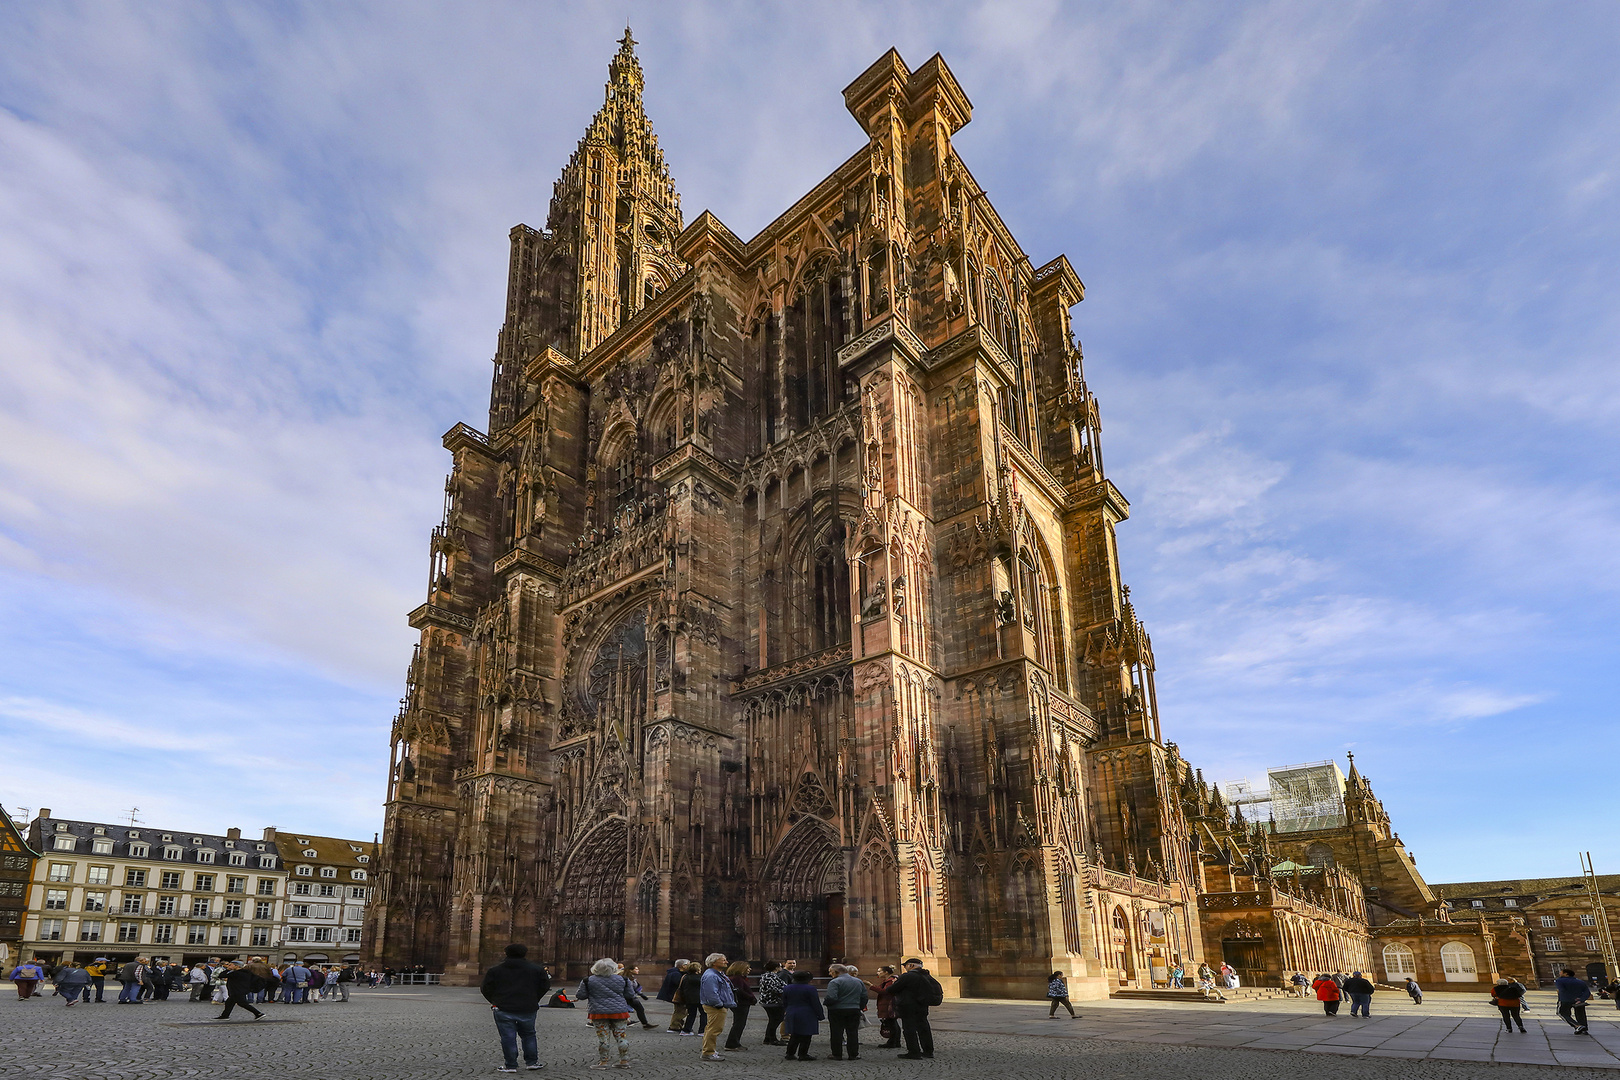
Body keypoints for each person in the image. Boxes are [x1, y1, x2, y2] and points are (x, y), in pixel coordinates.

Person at [479, 943, 552, 1073]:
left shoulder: (495, 970)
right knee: (529, 1035)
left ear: (506, 953)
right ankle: (532, 1062)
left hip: (503, 1007)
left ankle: (511, 1065)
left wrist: (495, 1001)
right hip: (527, 1007)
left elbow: (485, 988)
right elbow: (545, 985)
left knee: (508, 1037)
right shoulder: (536, 969)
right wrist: (534, 998)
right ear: (525, 953)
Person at [577, 957, 635, 1071]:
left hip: (599, 1013)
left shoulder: (588, 980)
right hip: (619, 1012)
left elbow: (580, 996)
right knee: (621, 1037)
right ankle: (624, 1061)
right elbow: (630, 995)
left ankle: (603, 1062)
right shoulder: (623, 980)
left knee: (603, 1038)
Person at [890, 957, 942, 1060]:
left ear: (911, 965)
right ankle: (928, 1051)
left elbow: (891, 989)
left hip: (908, 1007)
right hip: (922, 1006)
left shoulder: (908, 976)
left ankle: (914, 1052)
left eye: (905, 966)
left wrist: (894, 983)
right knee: (924, 1028)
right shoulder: (927, 976)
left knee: (909, 1029)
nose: (905, 968)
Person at [824, 962, 868, 1060]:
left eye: (831, 972)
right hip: (854, 1009)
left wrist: (826, 1003)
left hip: (837, 1010)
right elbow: (864, 996)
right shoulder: (858, 981)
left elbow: (832, 997)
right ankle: (853, 1054)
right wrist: (859, 1006)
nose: (830, 974)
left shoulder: (834, 982)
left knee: (836, 1033)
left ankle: (837, 1054)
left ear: (836, 972)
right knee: (852, 1033)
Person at [699, 952, 736, 1061]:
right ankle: (708, 1052)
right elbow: (711, 993)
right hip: (715, 1006)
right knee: (714, 1030)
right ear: (714, 962)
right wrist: (719, 1004)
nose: (726, 962)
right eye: (723, 960)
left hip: (718, 1005)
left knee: (712, 1028)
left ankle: (710, 1050)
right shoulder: (711, 975)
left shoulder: (717, 973)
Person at [781, 970, 824, 1061]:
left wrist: (786, 1010)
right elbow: (815, 1003)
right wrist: (820, 1015)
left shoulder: (787, 988)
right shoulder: (810, 989)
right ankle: (803, 1054)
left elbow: (784, 1001)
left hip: (792, 1011)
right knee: (806, 1035)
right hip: (807, 1013)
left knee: (794, 1034)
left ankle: (790, 1053)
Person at [723, 960, 755, 1050]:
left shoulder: (737, 978)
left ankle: (734, 1042)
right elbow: (740, 991)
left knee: (739, 1023)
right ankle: (732, 1044)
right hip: (741, 1003)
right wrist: (751, 998)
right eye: (747, 968)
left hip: (741, 1003)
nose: (749, 969)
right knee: (739, 1023)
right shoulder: (737, 978)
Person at [869, 965, 901, 1048]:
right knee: (892, 1023)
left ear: (886, 972)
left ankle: (892, 1042)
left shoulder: (891, 981)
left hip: (889, 1004)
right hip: (887, 1004)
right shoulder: (886, 981)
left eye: (879, 971)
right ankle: (895, 1041)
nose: (877, 973)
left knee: (892, 1023)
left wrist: (870, 985)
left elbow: (885, 991)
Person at [757, 960, 788, 1045]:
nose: (781, 968)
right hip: (771, 1001)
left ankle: (768, 1038)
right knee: (777, 1019)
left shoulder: (771, 976)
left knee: (773, 1020)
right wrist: (785, 991)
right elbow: (773, 989)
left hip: (769, 1001)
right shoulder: (770, 976)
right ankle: (772, 1038)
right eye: (780, 966)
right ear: (776, 968)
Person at [1554, 967, 1591, 1035]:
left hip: (1565, 999)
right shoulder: (1580, 981)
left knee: (1562, 1013)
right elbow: (1587, 992)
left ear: (1566, 974)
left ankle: (1577, 1026)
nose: (1560, 973)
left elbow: (1561, 990)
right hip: (1579, 1000)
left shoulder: (1559, 980)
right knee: (1581, 1015)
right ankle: (1584, 1029)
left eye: (1561, 972)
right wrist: (1581, 999)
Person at [659, 958, 690, 1033]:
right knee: (680, 1011)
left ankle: (677, 1025)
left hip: (675, 995)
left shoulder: (674, 972)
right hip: (677, 996)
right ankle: (675, 1026)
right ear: (683, 966)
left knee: (681, 1011)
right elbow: (679, 984)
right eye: (688, 964)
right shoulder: (676, 974)